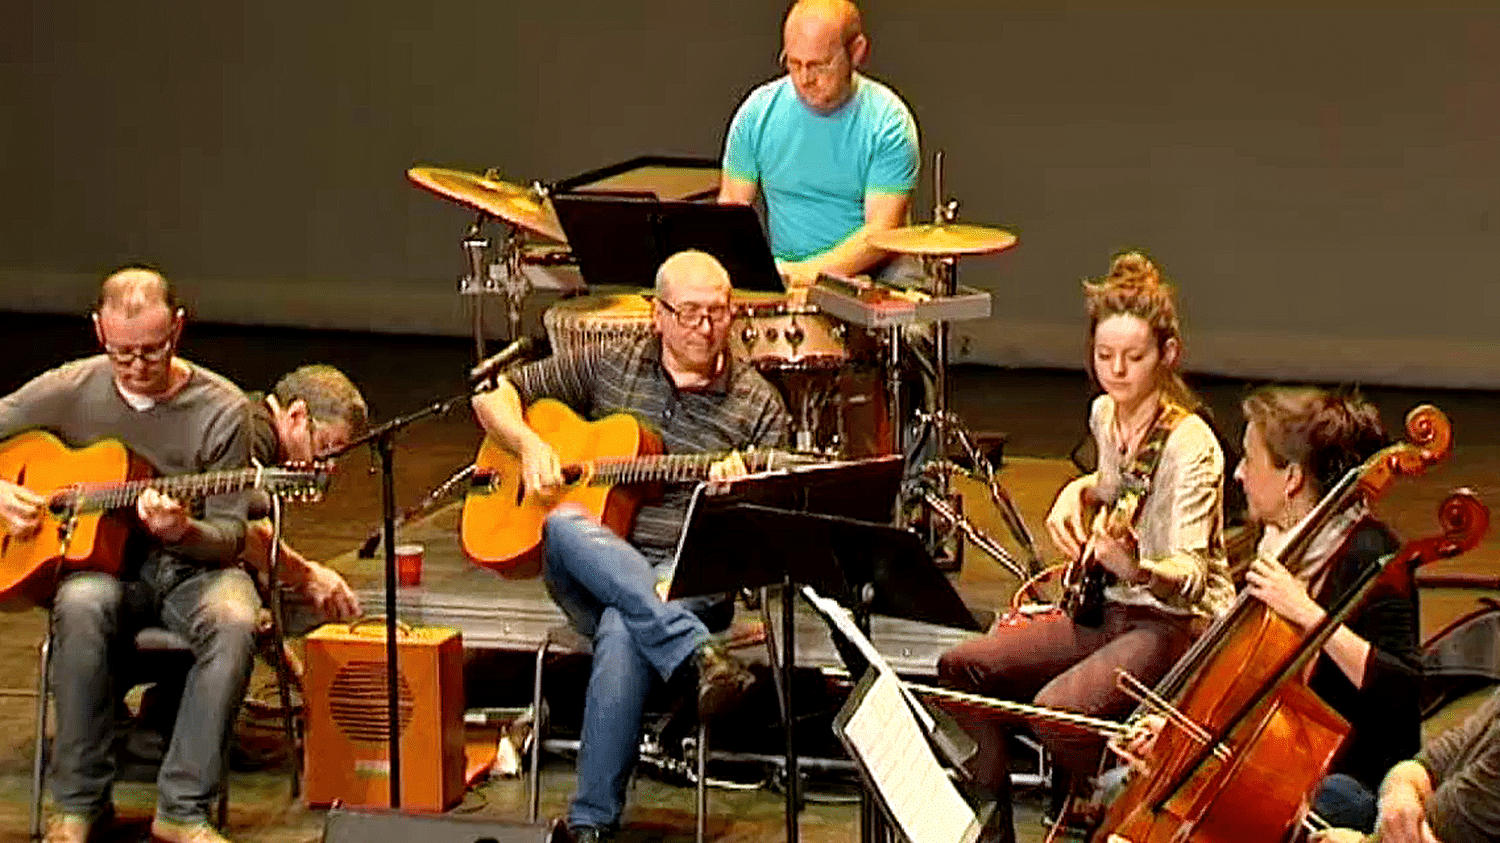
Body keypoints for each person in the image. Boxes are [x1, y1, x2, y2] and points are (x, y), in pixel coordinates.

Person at [470, 250, 790, 843]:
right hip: (592, 565)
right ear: (657, 314)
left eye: (719, 313)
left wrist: (735, 498)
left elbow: (766, 541)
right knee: (564, 524)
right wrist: (531, 447)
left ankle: (590, 827)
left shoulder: (758, 404)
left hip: (688, 575)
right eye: (691, 313)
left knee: (624, 625)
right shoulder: (611, 364)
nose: (705, 327)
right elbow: (491, 395)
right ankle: (696, 657)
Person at [936, 252, 1233, 843]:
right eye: (1104, 356)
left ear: (1167, 356)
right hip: (1109, 607)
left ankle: (1138, 803)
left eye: (1134, 357)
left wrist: (1138, 567)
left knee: (1059, 714)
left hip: (1176, 622)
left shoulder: (1190, 445)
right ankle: (992, 830)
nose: (1117, 371)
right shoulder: (1105, 415)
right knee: (961, 667)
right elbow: (1110, 488)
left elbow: (1193, 575)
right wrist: (1074, 493)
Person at [0, 266, 257, 843]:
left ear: (180, 331)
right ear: (98, 332)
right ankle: (78, 804)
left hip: (194, 568)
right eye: (123, 354)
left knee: (237, 620)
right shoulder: (71, 386)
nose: (138, 367)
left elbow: (232, 537)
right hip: (104, 568)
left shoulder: (223, 409)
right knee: (82, 603)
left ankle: (183, 809)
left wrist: (183, 529)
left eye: (152, 351)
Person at [1233, 385, 1418, 831]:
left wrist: (1310, 614)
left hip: (1347, 774)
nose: (1238, 473)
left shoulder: (1372, 556)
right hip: (1274, 753)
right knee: (1119, 783)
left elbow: (1403, 690)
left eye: (1249, 460)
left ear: (1292, 478)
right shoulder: (1269, 546)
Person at [718, 0, 919, 290]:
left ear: (856, 51)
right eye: (793, 63)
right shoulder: (757, 114)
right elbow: (732, 213)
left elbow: (881, 233)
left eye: (819, 65)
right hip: (785, 272)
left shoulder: (888, 123)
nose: (804, 79)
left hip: (875, 276)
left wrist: (805, 274)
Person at [240, 364, 368, 622]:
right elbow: (240, 530)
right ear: (297, 416)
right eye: (325, 447)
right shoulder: (251, 434)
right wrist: (307, 576)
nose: (328, 466)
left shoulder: (256, 419)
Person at [1315, 686, 1500, 843]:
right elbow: (1431, 761)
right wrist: (1400, 794)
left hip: (1433, 831)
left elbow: (1441, 828)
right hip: (1423, 825)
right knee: (1332, 791)